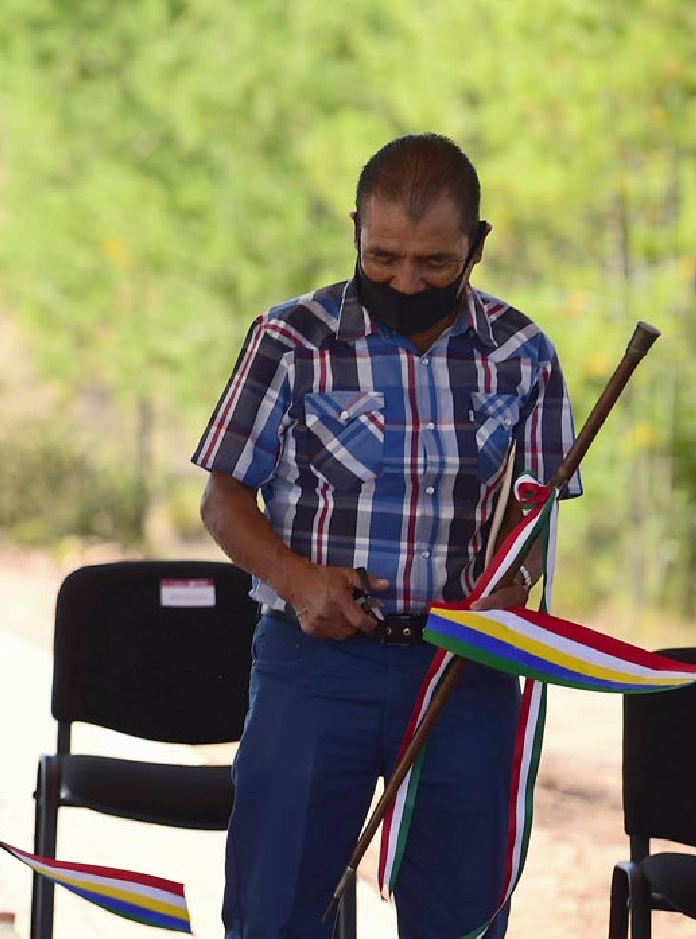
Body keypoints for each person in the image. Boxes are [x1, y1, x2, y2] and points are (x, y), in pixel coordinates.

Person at [192, 132, 578, 938]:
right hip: (313, 671)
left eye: (435, 263)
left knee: (460, 919)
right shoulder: (290, 339)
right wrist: (297, 578)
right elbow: (224, 501)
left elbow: (534, 516)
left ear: (478, 246)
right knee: (275, 916)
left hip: (464, 675)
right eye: (384, 258)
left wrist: (517, 574)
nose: (406, 281)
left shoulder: (524, 354)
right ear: (355, 233)